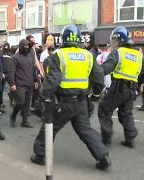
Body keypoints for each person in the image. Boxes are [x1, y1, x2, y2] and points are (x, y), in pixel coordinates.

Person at [31, 25, 111, 170]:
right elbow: (99, 76)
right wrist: (95, 94)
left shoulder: (59, 55)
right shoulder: (87, 55)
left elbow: (52, 82)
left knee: (50, 128)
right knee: (85, 130)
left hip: (64, 103)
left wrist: (40, 101)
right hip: (81, 102)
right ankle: (103, 156)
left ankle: (40, 155)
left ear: (64, 39)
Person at [98, 26, 144, 148]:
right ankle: (130, 138)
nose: (113, 43)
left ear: (120, 40)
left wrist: (95, 73)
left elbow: (106, 68)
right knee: (126, 113)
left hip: (118, 88)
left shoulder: (118, 52)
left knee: (104, 110)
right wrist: (138, 86)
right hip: (132, 90)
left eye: (115, 40)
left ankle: (106, 138)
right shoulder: (138, 55)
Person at [7, 39, 38, 128]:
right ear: (21, 46)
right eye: (25, 46)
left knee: (27, 104)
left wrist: (36, 80)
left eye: (28, 46)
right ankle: (13, 115)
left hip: (30, 83)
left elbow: (33, 70)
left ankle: (24, 121)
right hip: (19, 84)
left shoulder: (31, 56)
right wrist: (12, 84)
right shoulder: (15, 57)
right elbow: (11, 72)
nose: (26, 47)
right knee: (20, 102)